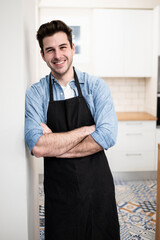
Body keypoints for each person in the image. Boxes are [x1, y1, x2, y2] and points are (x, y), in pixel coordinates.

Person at [25, 20, 120, 240]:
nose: (57, 55)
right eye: (50, 50)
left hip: (97, 186)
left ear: (72, 48)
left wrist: (55, 146)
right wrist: (87, 130)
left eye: (62, 47)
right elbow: (38, 146)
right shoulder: (36, 94)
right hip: (60, 191)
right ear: (42, 55)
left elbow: (106, 135)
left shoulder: (95, 86)